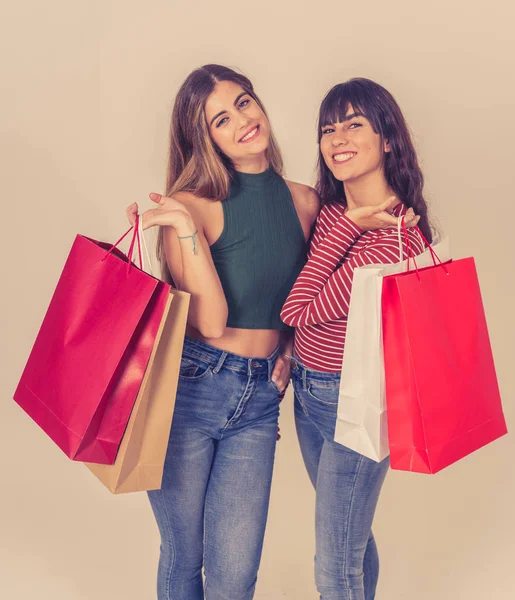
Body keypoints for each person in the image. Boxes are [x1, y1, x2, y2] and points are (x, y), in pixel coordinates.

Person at [127, 64, 319, 600]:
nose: (242, 120)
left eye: (245, 102)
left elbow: (304, 297)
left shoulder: (304, 202)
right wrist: (186, 230)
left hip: (258, 399)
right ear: (203, 137)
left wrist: (288, 347)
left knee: (234, 578)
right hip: (189, 391)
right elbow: (209, 322)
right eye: (220, 119)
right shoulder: (185, 207)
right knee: (185, 560)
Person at [280, 77, 429, 600]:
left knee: (334, 566)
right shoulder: (328, 214)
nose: (337, 137)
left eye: (353, 124)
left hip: (354, 404)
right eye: (328, 128)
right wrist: (343, 221)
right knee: (352, 540)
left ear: (387, 138)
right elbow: (304, 318)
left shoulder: (393, 240)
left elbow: (297, 309)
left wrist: (346, 226)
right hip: (309, 394)